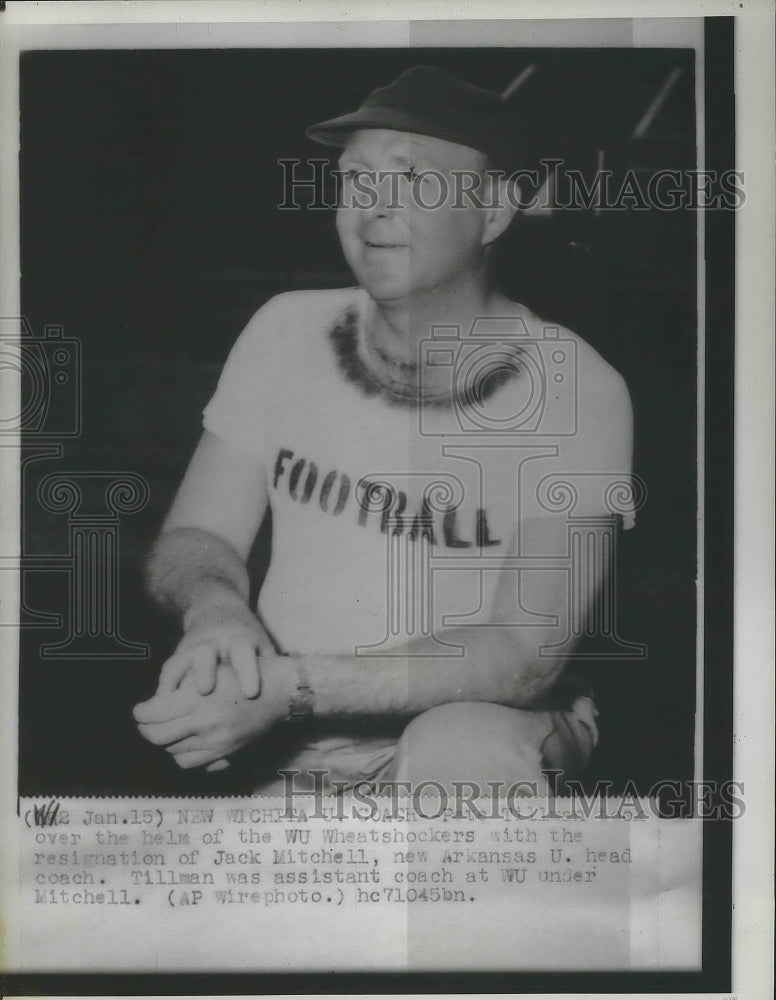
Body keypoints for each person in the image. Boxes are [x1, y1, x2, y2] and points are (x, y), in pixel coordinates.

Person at [133, 66, 635, 796]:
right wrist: (216, 614)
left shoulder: (578, 388)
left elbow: (526, 653)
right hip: (286, 738)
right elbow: (194, 538)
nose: (373, 209)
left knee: (464, 748)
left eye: (414, 181)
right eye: (356, 179)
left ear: (494, 211)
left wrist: (294, 687)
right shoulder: (286, 329)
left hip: (487, 731)